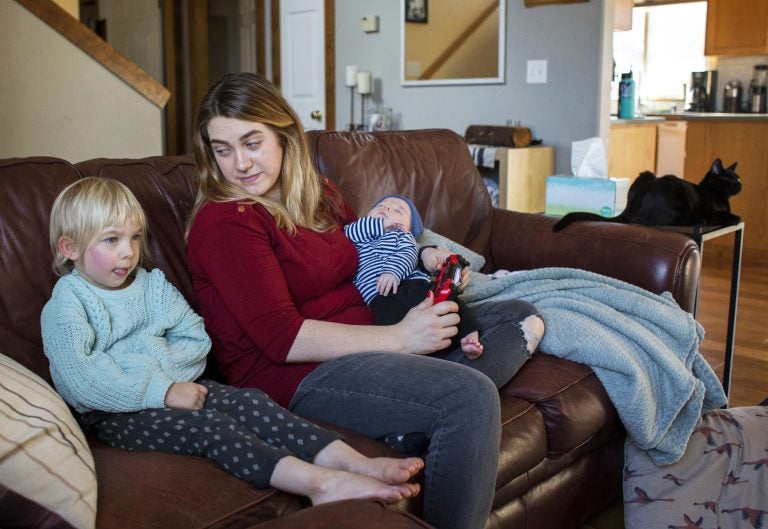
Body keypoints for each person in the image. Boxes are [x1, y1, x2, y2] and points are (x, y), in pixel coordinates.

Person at [186, 72, 544, 529]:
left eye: (252, 142)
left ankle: (413, 419)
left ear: (282, 135)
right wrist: (400, 338)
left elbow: (370, 250)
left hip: (371, 328)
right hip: (295, 375)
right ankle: (432, 409)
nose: (239, 164)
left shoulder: (318, 193)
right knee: (469, 397)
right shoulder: (226, 222)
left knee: (517, 316)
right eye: (223, 149)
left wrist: (422, 267)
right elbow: (282, 339)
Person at [40, 177, 423, 506]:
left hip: (185, 386)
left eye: (134, 238)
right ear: (69, 248)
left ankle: (355, 462)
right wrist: (161, 389)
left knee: (252, 402)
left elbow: (194, 339)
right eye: (111, 240)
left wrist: (173, 383)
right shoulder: (68, 304)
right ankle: (321, 484)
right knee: (213, 429)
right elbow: (81, 379)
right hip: (113, 414)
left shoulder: (150, 284)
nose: (128, 251)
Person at [344, 194, 483, 359]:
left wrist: (393, 271)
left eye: (398, 210)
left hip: (412, 286)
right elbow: (350, 233)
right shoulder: (356, 234)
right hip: (377, 297)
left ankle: (470, 337)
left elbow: (408, 254)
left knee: (451, 305)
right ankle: (420, 359)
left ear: (408, 228)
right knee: (389, 324)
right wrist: (380, 224)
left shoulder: (401, 236)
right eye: (381, 206)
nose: (387, 208)